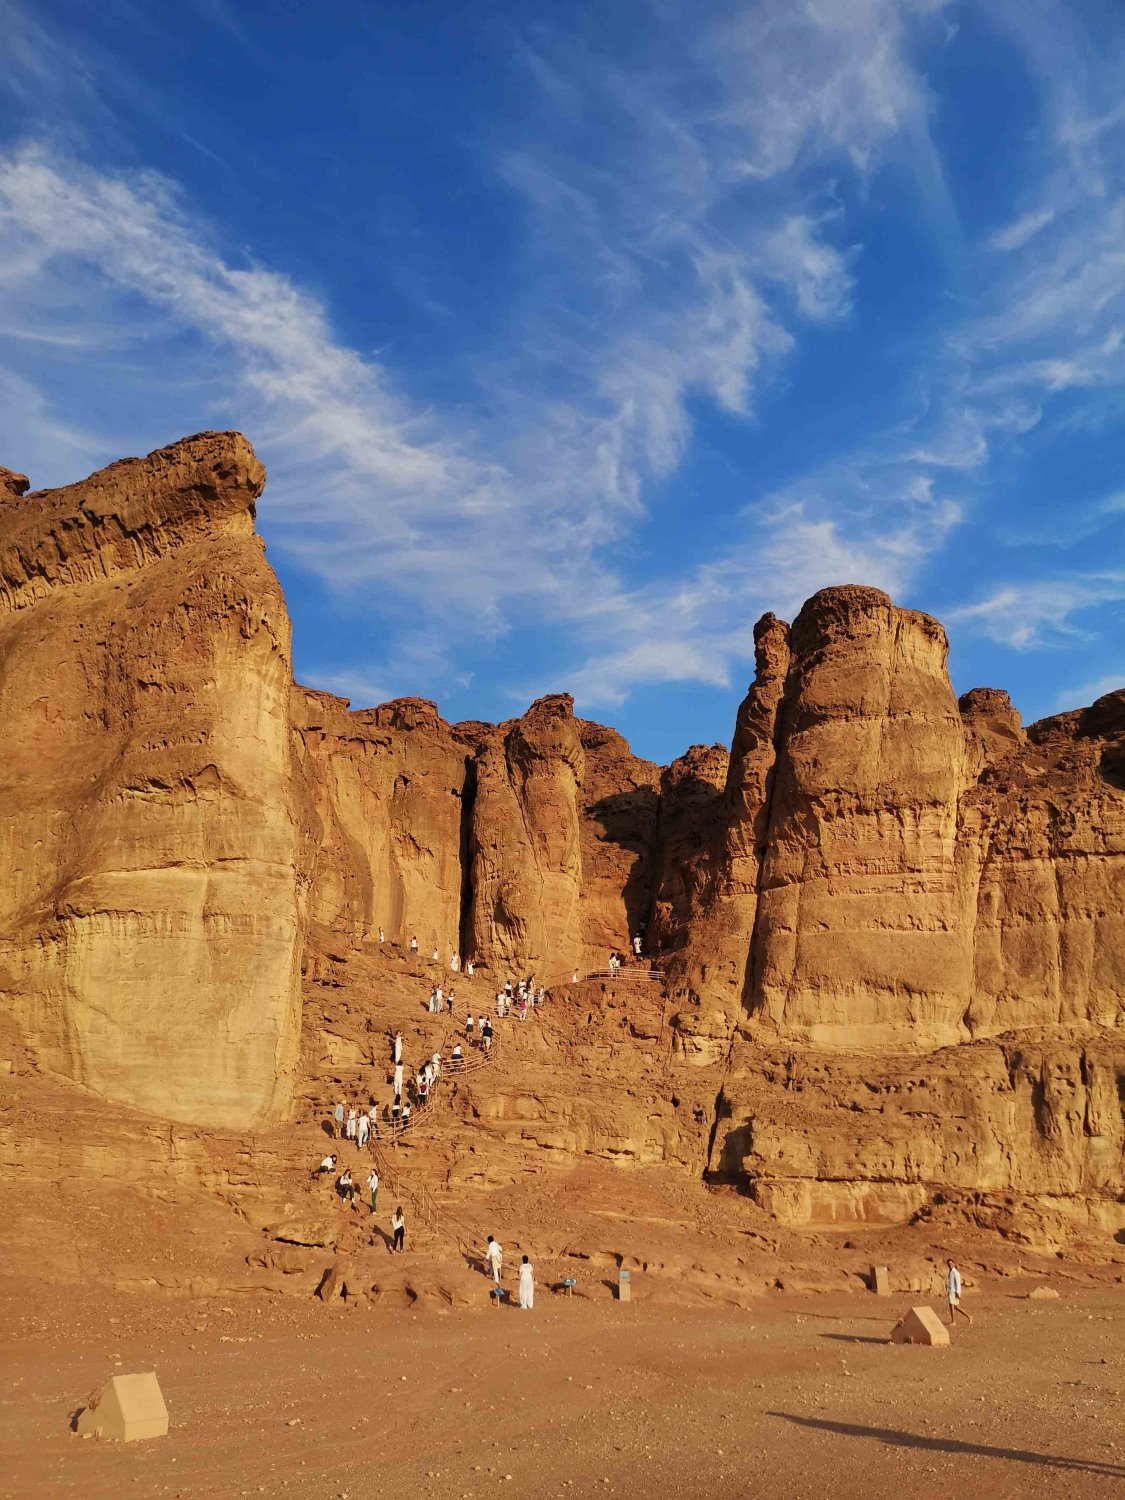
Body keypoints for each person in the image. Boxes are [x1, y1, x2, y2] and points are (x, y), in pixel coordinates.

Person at [946, 1259, 972, 1328]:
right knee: (956, 1307)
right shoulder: (950, 1272)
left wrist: (958, 1292)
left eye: (951, 1263)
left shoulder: (955, 1272)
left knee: (952, 1306)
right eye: (949, 1264)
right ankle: (969, 1316)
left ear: (953, 1264)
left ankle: (953, 1321)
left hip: (954, 1291)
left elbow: (958, 1283)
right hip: (951, 1291)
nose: (950, 1265)